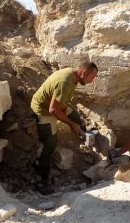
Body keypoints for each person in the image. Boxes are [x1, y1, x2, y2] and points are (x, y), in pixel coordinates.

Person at [31, 61, 98, 194]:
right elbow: (53, 110)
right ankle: (41, 179)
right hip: (43, 110)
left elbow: (59, 105)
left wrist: (75, 123)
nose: (92, 81)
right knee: (50, 143)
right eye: (92, 77)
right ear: (84, 73)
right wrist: (71, 125)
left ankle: (85, 135)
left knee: (75, 116)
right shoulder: (65, 82)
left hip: (57, 106)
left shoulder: (72, 74)